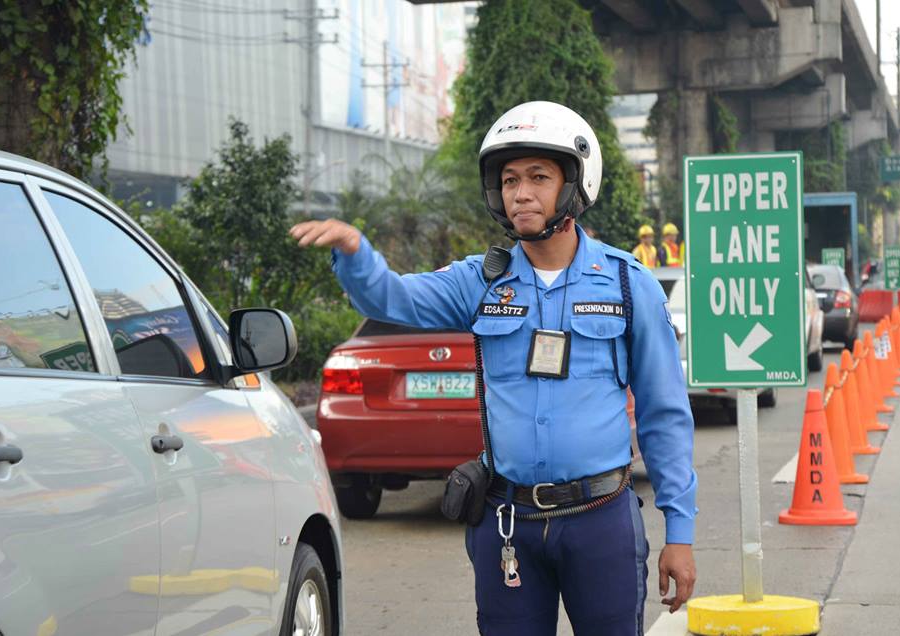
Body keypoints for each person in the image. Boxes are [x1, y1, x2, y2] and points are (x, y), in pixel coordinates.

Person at [290, 101, 697, 636]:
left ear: (575, 184)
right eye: (508, 179)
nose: (520, 192)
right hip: (508, 524)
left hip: (601, 521)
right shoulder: (480, 281)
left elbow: (664, 413)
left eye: (537, 177)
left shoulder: (626, 284)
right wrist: (356, 252)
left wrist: (680, 533)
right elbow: (392, 299)